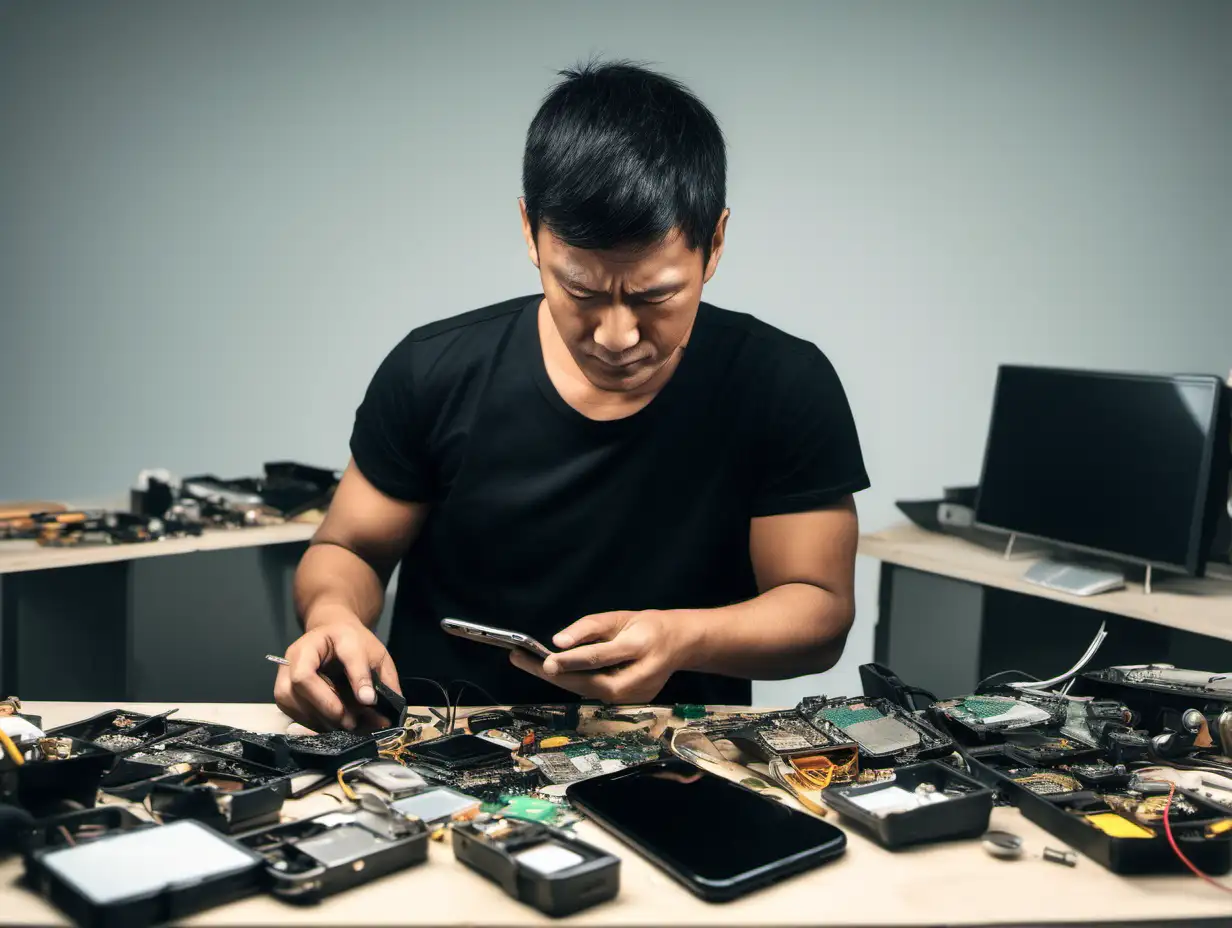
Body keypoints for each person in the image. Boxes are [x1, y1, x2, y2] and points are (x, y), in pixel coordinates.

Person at [274, 60, 869, 732]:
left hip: (683, 758)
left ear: (717, 243)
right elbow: (348, 549)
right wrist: (333, 619)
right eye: (581, 292)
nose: (617, 336)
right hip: (444, 749)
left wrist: (684, 638)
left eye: (656, 296)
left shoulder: (784, 384)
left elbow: (819, 611)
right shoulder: (432, 371)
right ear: (530, 232)